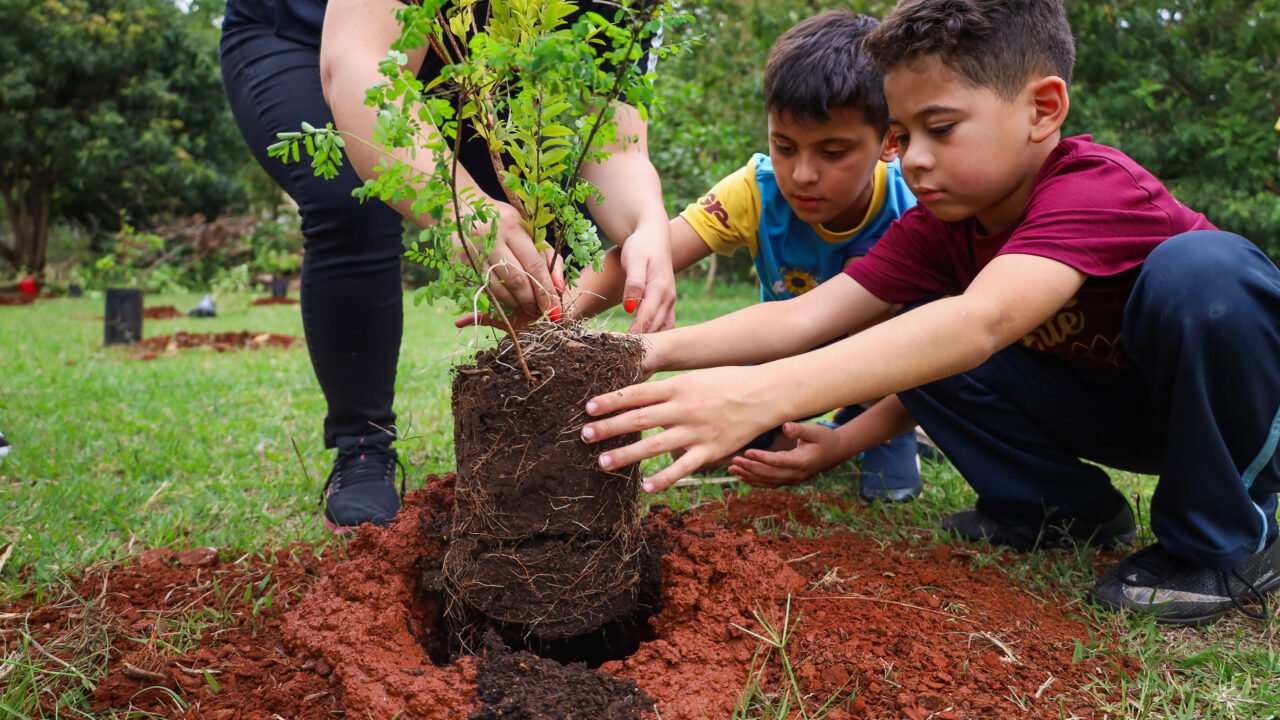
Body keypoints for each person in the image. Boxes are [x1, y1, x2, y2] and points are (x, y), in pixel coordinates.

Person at [579, 0, 1280, 626]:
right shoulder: (943, 228)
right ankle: (1060, 511)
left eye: (940, 129)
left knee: (1205, 274)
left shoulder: (1096, 187)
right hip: (1111, 410)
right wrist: (633, 356)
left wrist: (755, 393)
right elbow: (807, 317)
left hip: (1219, 408)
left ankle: (1226, 541)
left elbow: (984, 321)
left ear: (1043, 109)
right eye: (901, 135)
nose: (913, 159)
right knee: (911, 327)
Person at [220, 0, 676, 534]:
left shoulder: (627, 6)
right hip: (306, 34)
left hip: (478, 65)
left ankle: (541, 468)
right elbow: (361, 67)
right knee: (354, 195)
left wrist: (646, 222)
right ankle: (362, 445)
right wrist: (461, 204)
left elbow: (609, 133)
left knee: (538, 220)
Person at [566, 10, 923, 501]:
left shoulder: (915, 212)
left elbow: (936, 355)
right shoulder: (756, 191)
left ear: (888, 140)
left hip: (885, 378)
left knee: (887, 488)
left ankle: (873, 424)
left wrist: (841, 445)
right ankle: (791, 426)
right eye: (784, 146)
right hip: (780, 367)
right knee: (709, 451)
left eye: (832, 153)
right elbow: (656, 250)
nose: (802, 174)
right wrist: (557, 306)